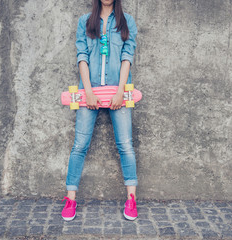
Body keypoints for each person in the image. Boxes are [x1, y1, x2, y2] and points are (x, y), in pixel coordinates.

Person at [61, 0, 138, 221]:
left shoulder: (127, 21)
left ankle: (131, 199)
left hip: (119, 90)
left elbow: (127, 57)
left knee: (125, 145)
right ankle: (71, 198)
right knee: (79, 145)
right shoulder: (85, 21)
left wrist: (120, 91)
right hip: (89, 91)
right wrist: (89, 91)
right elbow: (82, 57)